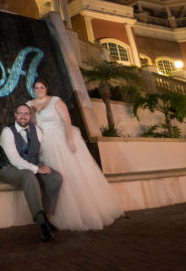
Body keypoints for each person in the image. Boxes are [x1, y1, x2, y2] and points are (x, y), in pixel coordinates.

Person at [27, 79, 124, 230]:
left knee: (71, 175)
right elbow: (31, 124)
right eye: (36, 87)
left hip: (60, 139)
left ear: (46, 88)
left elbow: (66, 120)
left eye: (41, 87)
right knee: (53, 177)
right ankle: (53, 212)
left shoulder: (56, 101)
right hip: (44, 144)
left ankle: (83, 212)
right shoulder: (29, 104)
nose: (38, 90)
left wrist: (69, 140)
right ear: (33, 89)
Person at [0, 103, 63, 241]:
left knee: (55, 178)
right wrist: (37, 169)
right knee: (29, 176)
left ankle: (46, 216)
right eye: (20, 113)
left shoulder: (36, 130)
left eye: (26, 113)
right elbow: (15, 160)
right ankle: (41, 224)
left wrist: (43, 166)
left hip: (34, 166)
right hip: (9, 169)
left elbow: (40, 152)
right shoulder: (7, 132)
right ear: (15, 115)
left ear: (30, 116)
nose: (23, 116)